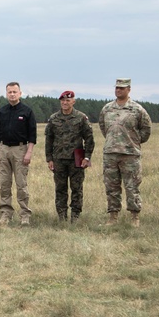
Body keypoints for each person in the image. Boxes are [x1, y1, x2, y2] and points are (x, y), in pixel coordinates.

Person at [98, 78, 152, 226]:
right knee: (111, 187)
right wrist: (114, 140)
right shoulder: (107, 109)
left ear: (129, 89)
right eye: (116, 88)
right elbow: (103, 127)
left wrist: (133, 141)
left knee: (132, 186)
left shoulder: (137, 109)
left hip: (130, 154)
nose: (118, 90)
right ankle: (113, 217)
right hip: (110, 153)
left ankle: (135, 217)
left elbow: (146, 130)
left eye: (121, 88)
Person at [44, 90, 95, 223]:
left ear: (73, 101)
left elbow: (89, 139)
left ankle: (75, 216)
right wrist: (49, 159)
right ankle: (62, 216)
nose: (65, 103)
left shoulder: (81, 118)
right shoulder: (54, 118)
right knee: (60, 189)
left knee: (76, 189)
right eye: (62, 101)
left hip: (76, 160)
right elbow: (49, 140)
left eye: (68, 100)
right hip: (58, 160)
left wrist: (87, 157)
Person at [0, 82, 37, 226]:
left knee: (21, 184)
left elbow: (32, 136)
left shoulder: (27, 112)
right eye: (9, 92)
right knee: (4, 183)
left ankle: (25, 215)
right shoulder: (1, 112)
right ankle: (5, 214)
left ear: (20, 93)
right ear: (6, 93)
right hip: (4, 149)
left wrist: (29, 153)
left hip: (21, 150)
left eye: (14, 92)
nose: (12, 94)